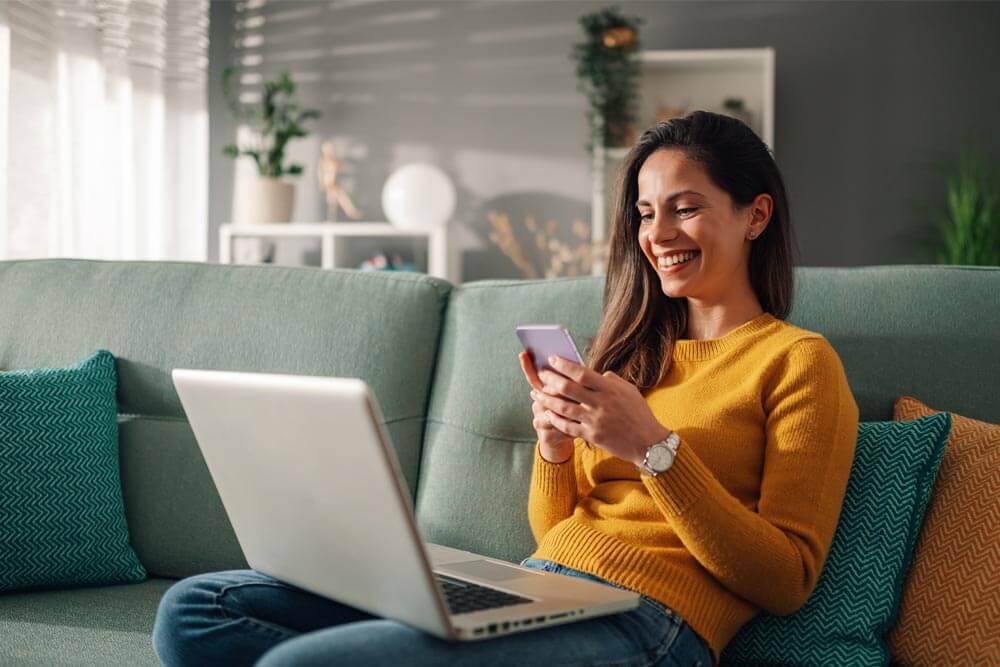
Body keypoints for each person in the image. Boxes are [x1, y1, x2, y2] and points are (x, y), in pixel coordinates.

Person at [152, 110, 859, 667]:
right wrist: (553, 448)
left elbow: (786, 578)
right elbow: (556, 535)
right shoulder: (629, 357)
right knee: (196, 610)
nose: (657, 232)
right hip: (540, 588)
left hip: (651, 625)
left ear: (755, 215)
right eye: (645, 212)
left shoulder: (797, 361)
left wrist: (656, 448)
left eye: (684, 207)